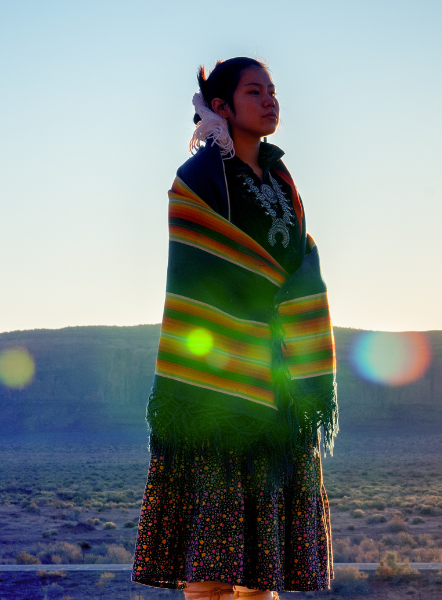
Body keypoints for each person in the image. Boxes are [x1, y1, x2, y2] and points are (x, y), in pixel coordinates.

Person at [131, 57, 338, 600]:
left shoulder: (284, 181)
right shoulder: (201, 177)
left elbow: (302, 260)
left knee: (260, 558)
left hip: (277, 384)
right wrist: (271, 290)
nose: (270, 100)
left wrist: (291, 297)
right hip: (217, 392)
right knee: (215, 551)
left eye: (273, 91)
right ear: (221, 106)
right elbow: (203, 263)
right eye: (255, 91)